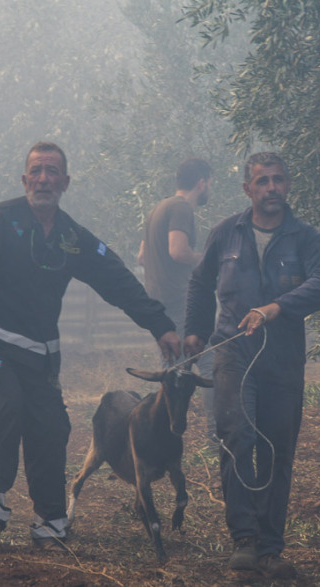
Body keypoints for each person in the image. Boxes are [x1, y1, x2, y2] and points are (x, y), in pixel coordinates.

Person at [0, 141, 182, 548]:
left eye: (52, 172)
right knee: (5, 405)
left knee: (51, 426)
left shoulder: (72, 237)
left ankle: (50, 521)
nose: (44, 179)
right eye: (36, 171)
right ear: (24, 179)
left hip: (41, 355)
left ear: (65, 182)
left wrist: (161, 325)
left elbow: (117, 281)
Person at [184, 152, 320, 579]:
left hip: (284, 359)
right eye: (263, 181)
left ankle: (270, 548)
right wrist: (195, 331)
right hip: (233, 353)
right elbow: (199, 281)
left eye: (278, 180)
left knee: (277, 450)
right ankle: (244, 540)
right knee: (237, 436)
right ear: (247, 188)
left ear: (288, 185)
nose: (272, 187)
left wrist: (276, 307)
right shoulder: (225, 234)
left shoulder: (305, 237)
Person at [137, 158, 216, 441]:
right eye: (210, 184)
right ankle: (216, 438)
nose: (210, 189)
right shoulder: (182, 208)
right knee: (210, 363)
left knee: (171, 373)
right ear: (202, 183)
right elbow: (178, 251)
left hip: (159, 307)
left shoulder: (157, 209)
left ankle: (161, 438)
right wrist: (208, 259)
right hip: (180, 303)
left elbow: (142, 257)